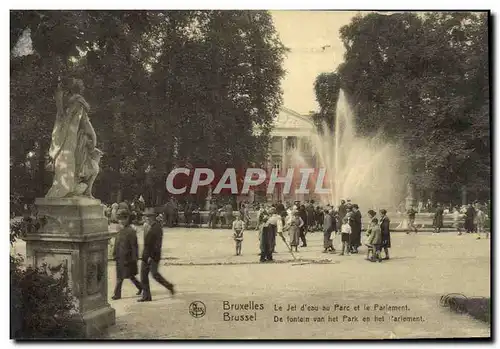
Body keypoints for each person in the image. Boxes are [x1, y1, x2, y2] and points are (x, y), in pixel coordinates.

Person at [138, 208, 175, 302]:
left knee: (154, 274)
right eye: (146, 216)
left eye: (149, 216)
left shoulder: (157, 228)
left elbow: (157, 245)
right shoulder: (146, 226)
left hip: (153, 256)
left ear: (154, 217)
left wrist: (151, 256)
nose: (147, 218)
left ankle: (169, 286)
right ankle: (146, 296)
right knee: (143, 275)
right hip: (146, 255)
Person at [112, 208, 142, 300]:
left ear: (127, 219)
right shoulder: (120, 230)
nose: (121, 221)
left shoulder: (131, 231)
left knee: (124, 276)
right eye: (119, 219)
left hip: (128, 258)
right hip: (120, 257)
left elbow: (134, 246)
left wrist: (134, 258)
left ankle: (117, 294)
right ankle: (141, 287)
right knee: (126, 276)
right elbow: (117, 243)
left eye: (123, 219)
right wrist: (114, 254)